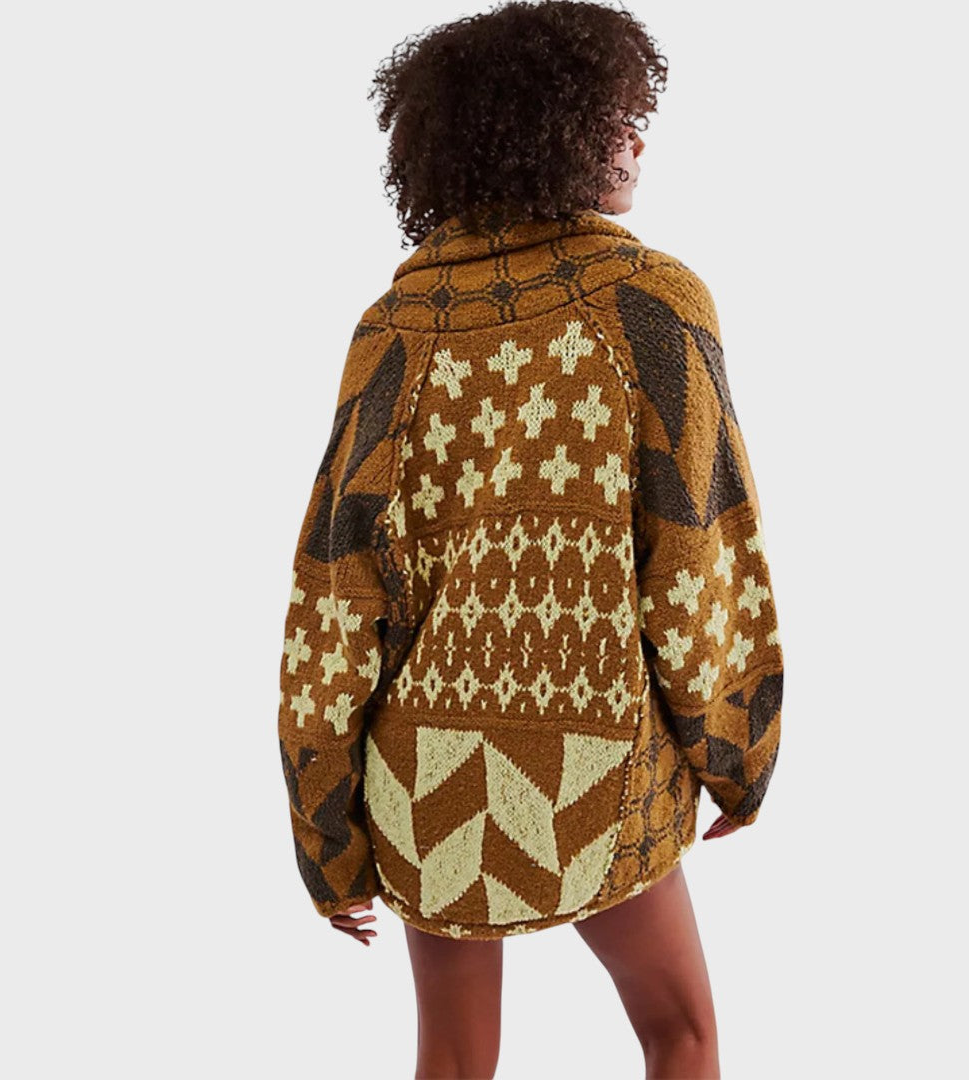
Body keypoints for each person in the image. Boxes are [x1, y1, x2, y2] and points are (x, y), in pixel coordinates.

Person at [276, 3, 784, 1076]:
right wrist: (736, 751)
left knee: (454, 1064)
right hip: (603, 771)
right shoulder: (652, 305)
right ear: (548, 135)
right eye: (613, 119)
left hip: (425, 776)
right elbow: (700, 555)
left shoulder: (392, 331)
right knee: (681, 1033)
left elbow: (336, 586)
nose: (636, 139)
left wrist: (328, 833)